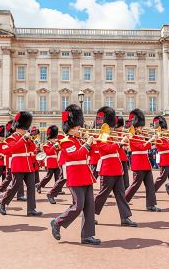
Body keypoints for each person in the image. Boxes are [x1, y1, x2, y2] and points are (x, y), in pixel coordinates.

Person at [50, 104, 100, 245]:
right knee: (78, 206)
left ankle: (87, 236)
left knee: (90, 206)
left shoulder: (79, 140)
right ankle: (57, 222)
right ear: (71, 128)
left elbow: (92, 154)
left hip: (85, 175)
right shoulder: (65, 142)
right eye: (77, 127)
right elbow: (76, 155)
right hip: (75, 176)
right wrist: (87, 144)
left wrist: (93, 142)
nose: (80, 128)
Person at [93, 106, 137, 227]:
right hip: (107, 169)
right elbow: (105, 149)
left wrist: (123, 140)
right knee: (103, 195)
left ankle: (125, 217)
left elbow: (115, 146)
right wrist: (119, 144)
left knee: (121, 195)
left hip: (117, 169)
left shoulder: (112, 135)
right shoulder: (101, 136)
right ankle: (91, 215)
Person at [0, 111, 42, 217]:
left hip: (29, 165)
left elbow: (32, 150)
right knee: (15, 186)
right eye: (23, 128)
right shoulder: (11, 138)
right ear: (17, 127)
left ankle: (31, 209)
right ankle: (3, 202)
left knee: (31, 188)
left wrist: (35, 146)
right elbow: (12, 149)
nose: (25, 130)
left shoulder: (27, 138)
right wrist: (24, 139)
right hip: (18, 164)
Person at [124, 109, 161, 212]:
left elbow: (148, 145)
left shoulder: (141, 135)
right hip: (138, 162)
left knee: (150, 185)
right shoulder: (132, 136)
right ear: (135, 127)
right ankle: (124, 200)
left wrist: (153, 138)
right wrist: (150, 140)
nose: (141, 128)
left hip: (145, 162)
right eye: (140, 126)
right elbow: (142, 147)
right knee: (135, 184)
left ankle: (151, 204)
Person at [36, 125, 61, 193]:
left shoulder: (56, 143)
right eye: (53, 138)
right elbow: (48, 152)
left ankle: (57, 189)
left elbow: (58, 152)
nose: (54, 139)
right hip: (50, 162)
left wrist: (58, 148)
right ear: (50, 138)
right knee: (48, 176)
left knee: (58, 176)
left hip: (56, 162)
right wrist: (53, 146)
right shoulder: (46, 145)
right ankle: (39, 185)